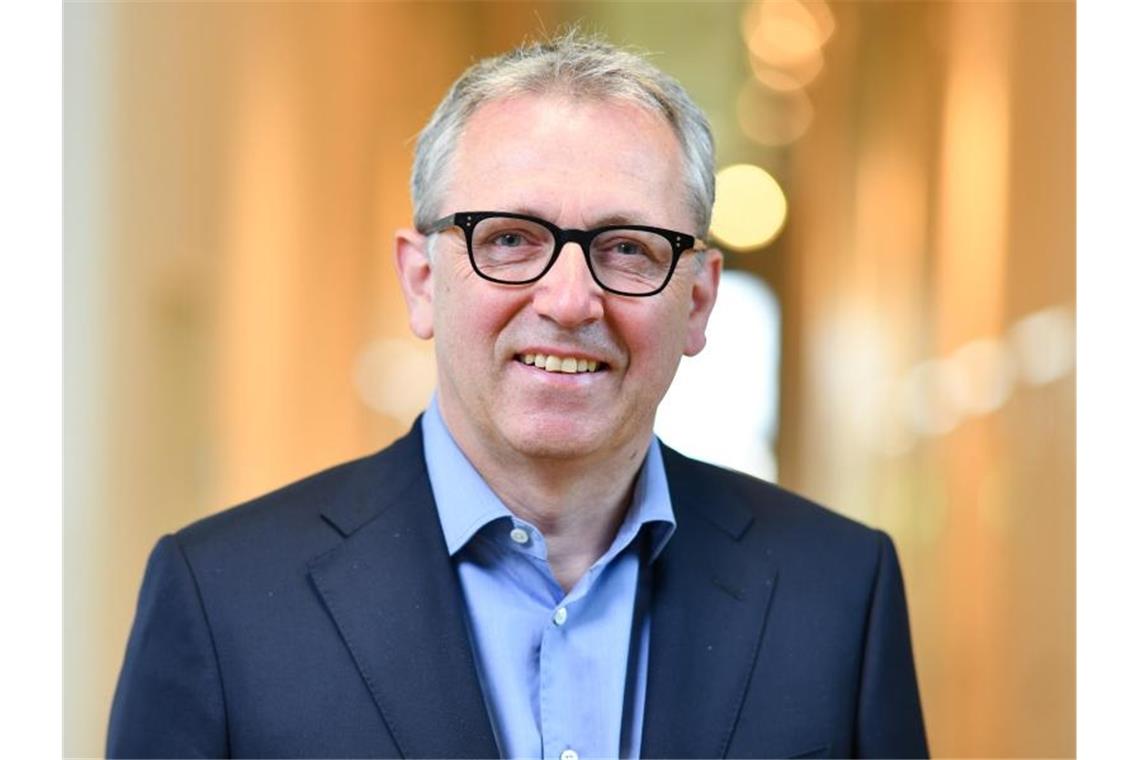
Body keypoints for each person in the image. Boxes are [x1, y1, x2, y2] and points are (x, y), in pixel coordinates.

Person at [107, 32, 928, 759]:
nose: (571, 302)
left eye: (630, 248)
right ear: (422, 281)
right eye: (509, 239)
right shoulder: (222, 600)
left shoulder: (840, 594)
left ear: (699, 301)